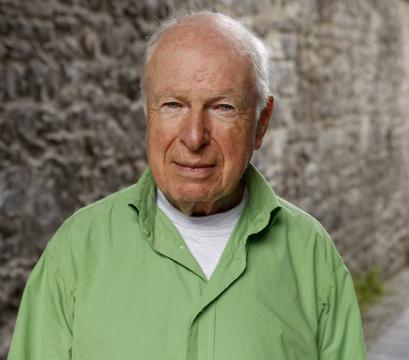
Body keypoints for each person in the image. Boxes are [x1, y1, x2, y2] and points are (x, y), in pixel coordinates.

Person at [8, 11, 366, 359]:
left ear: (261, 122)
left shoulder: (311, 255)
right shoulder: (75, 252)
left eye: (223, 107)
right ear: (148, 112)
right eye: (173, 105)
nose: (194, 137)